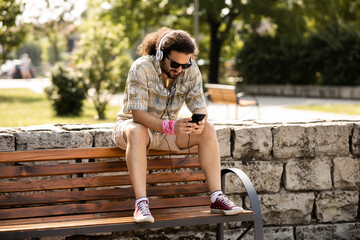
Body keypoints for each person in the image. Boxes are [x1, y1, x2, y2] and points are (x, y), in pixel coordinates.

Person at [112, 27, 244, 223]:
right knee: (138, 130)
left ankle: (217, 198)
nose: (179, 69)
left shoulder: (189, 70)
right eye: (174, 64)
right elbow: (138, 116)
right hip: (133, 131)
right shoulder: (141, 68)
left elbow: (200, 107)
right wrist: (170, 127)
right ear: (160, 54)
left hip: (167, 134)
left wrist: (200, 121)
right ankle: (141, 204)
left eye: (185, 64)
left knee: (208, 129)